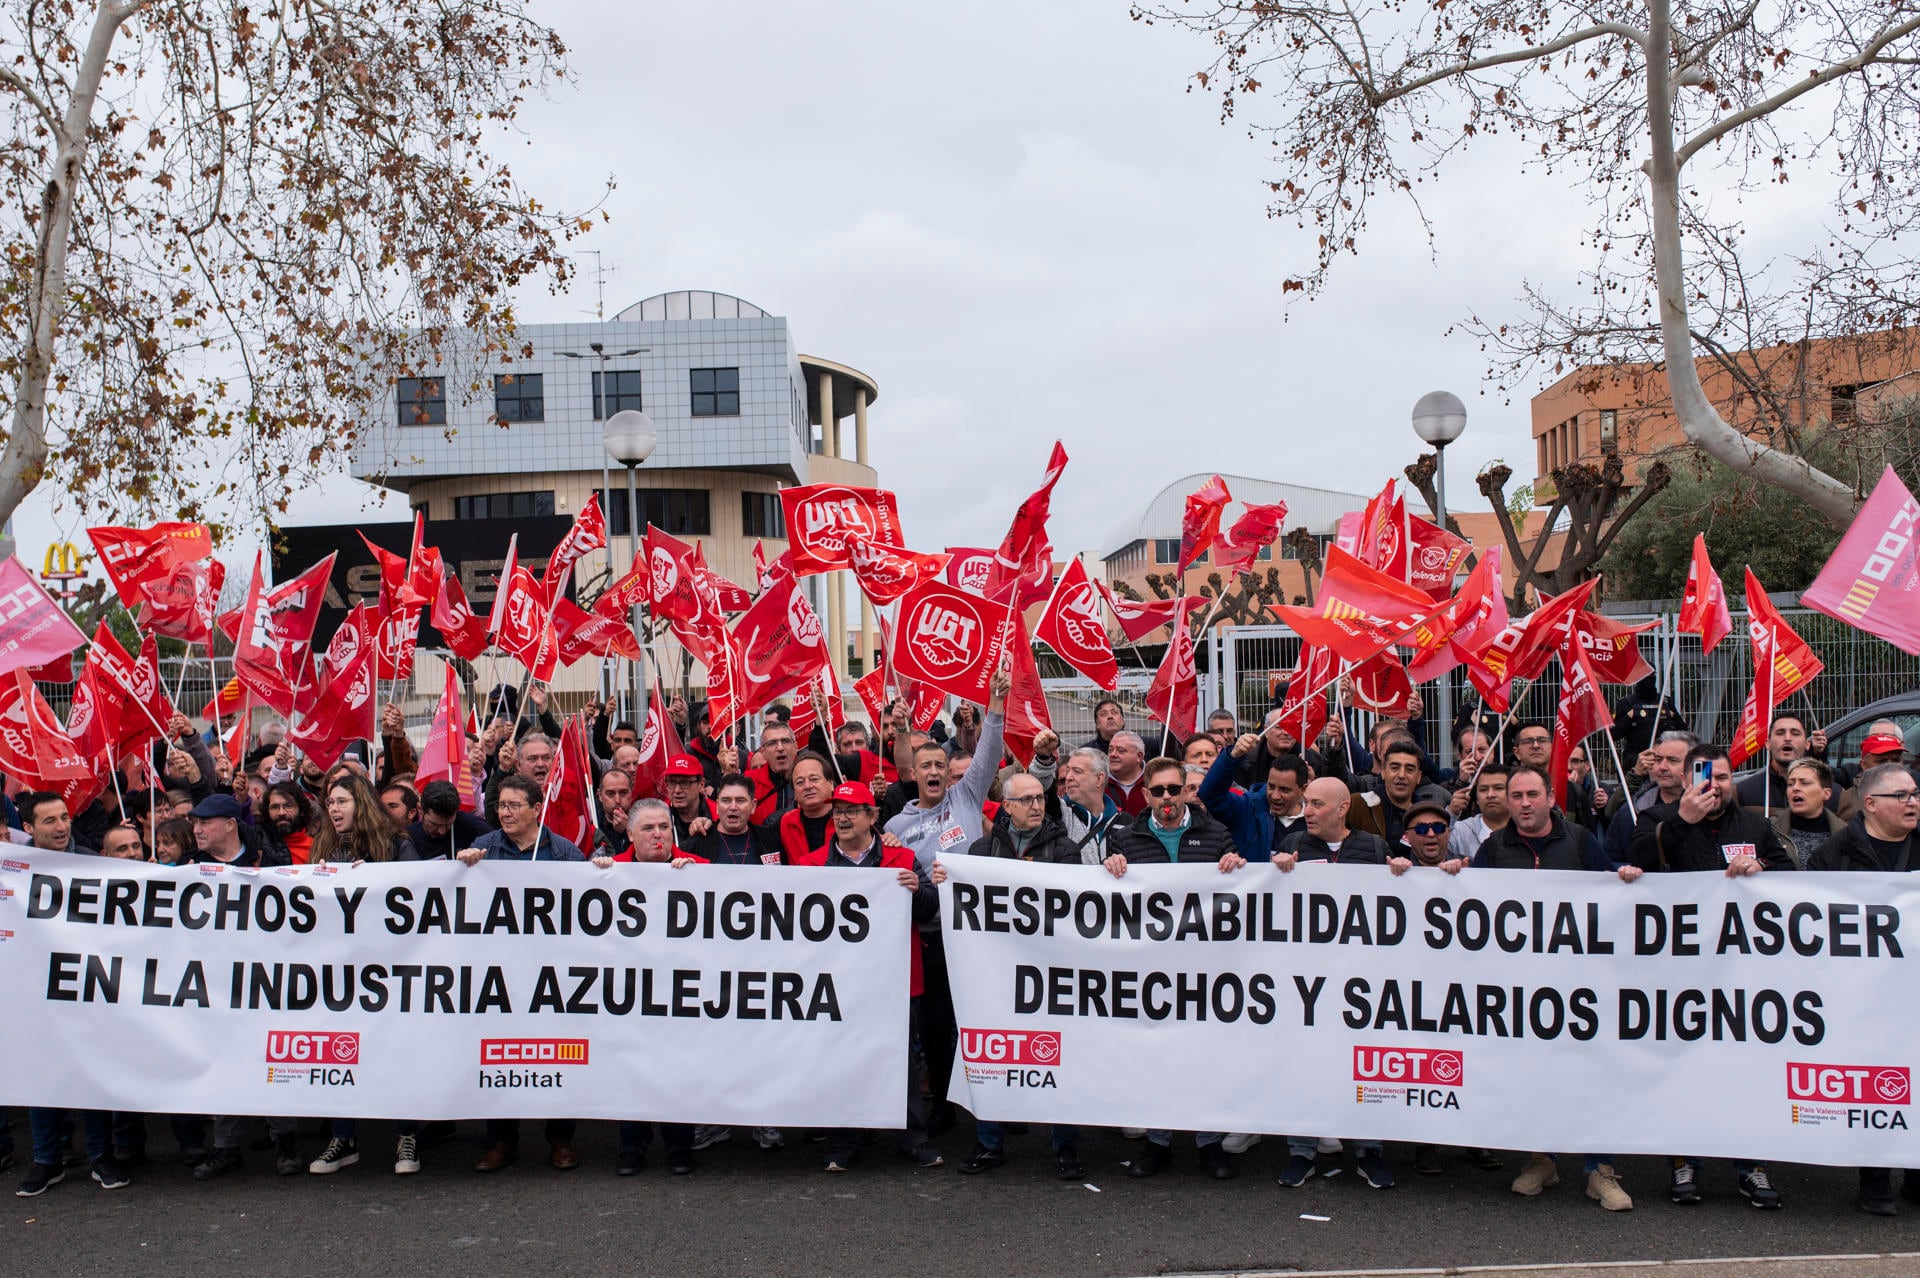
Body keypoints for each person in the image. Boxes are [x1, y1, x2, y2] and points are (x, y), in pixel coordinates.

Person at [1621, 742, 1789, 1208]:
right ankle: (1683, 1162)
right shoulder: (1660, 818)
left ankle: (1749, 1164)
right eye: (1706, 777)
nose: (1715, 788)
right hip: (1681, 972)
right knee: (1683, 1066)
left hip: (1741, 971)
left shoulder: (1754, 824)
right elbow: (1640, 857)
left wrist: (1763, 867)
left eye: (1724, 778)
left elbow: (1792, 873)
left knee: (1743, 1068)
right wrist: (1684, 820)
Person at [1474, 764, 1634, 1211]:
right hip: (1522, 991)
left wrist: (1624, 877)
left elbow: (1613, 897)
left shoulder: (1581, 841)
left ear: (1550, 799)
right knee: (1530, 1075)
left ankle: (1600, 1170)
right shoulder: (1493, 848)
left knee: (1590, 1076)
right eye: (1516, 796)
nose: (1524, 804)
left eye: (1532, 795)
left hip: (1580, 991)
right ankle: (1540, 1158)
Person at [935, 771, 1085, 1177]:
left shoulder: (1065, 849)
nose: (1037, 805)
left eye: (1040, 798)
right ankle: (989, 1143)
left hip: (1049, 973)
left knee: (1059, 1056)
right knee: (990, 1052)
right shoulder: (982, 850)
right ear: (1007, 806)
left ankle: (1065, 1145)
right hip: (996, 975)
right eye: (1027, 800)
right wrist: (946, 880)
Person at [1105, 757, 1246, 1179]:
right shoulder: (1127, 839)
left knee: (1204, 1058)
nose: (1167, 797)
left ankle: (1208, 1144)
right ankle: (1157, 1142)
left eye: (1174, 789)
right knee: (1155, 1057)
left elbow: (1239, 891)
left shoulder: (1216, 833)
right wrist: (1110, 870)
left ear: (1187, 791)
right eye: (1158, 791)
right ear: (1145, 796)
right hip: (1151, 972)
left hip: (1204, 970)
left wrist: (1237, 868)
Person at [886, 669, 1008, 1139]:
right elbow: (894, 875)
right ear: (913, 774)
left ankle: (996, 1105)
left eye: (940, 764)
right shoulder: (897, 821)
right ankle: (943, 1103)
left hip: (980, 934)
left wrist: (994, 706)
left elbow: (990, 753)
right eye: (926, 767)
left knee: (987, 1018)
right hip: (933, 939)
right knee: (939, 1027)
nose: (935, 772)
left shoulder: (966, 795)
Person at [797, 781, 942, 1172]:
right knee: (842, 1058)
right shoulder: (812, 865)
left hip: (893, 979)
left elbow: (930, 909)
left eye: (852, 810)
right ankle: (845, 1138)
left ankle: (913, 1137)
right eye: (838, 810)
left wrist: (918, 891)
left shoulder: (902, 859)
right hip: (838, 982)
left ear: (872, 817)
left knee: (902, 1058)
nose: (842, 817)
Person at [1268, 776, 1393, 1188]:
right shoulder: (1294, 845)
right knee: (1304, 1065)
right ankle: (1300, 1152)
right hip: (1306, 982)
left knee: (1362, 1065)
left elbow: (1395, 900)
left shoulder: (1373, 848)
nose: (1308, 811)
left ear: (1343, 809)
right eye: (1306, 802)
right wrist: (1278, 871)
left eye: (1318, 804)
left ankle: (1369, 1152)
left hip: (1360, 981)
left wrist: (1402, 873)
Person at [1807, 763, 1920, 1214]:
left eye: (1915, 794)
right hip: (1863, 993)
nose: (1912, 802)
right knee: (1873, 1084)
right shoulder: (1833, 856)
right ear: (1871, 804)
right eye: (1902, 796)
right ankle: (1874, 1180)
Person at [457, 775, 584, 1171]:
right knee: (500, 1053)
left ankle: (561, 1139)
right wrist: (463, 868)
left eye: (514, 806)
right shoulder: (484, 848)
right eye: (501, 806)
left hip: (552, 971)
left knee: (558, 1053)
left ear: (536, 808)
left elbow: (585, 905)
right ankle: (501, 1140)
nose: (505, 813)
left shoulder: (563, 853)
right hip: (500, 971)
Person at [183, 794, 297, 1180]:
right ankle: (225, 1146)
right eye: (195, 823)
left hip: (267, 984)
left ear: (230, 824)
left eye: (205, 823)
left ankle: (285, 1142)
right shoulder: (189, 868)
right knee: (223, 1064)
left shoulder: (270, 859)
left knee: (273, 1063)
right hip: (214, 987)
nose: (197, 830)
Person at [1384, 801, 1499, 1177]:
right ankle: (1426, 1143)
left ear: (1449, 832)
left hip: (1465, 982)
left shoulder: (1472, 868)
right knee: (1425, 1064)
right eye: (1421, 830)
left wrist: (1467, 874)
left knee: (1471, 1063)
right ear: (1408, 837)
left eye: (1438, 827)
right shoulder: (1391, 870)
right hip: (1415, 984)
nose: (1431, 835)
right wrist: (1394, 875)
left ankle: (1476, 1138)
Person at [603, 798, 708, 1171]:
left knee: (677, 1068)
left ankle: (679, 1146)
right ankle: (632, 1146)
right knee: (631, 1068)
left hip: (679, 990)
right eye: (648, 829)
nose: (658, 835)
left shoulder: (699, 869)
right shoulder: (609, 873)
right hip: (630, 992)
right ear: (630, 834)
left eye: (664, 826)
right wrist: (598, 876)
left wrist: (697, 879)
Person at [1202, 734, 1309, 858]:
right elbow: (1210, 794)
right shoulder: (1249, 809)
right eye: (1271, 786)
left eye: (1284, 790)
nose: (1275, 796)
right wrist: (1232, 757)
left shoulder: (1316, 819)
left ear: (1303, 789)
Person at [1601, 732, 1696, 864]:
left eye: (1673, 760)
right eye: (1658, 759)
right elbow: (1610, 861)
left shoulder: (1711, 808)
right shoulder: (1630, 812)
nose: (1662, 767)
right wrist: (1627, 870)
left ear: (1695, 765)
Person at [1347, 738, 1451, 846]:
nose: (1401, 775)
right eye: (1395, 768)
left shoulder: (1428, 814)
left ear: (1419, 777)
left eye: (1409, 769)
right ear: (1383, 772)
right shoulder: (1359, 805)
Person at [312, 773, 421, 865]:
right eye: (330, 802)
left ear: (362, 805)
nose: (333, 808)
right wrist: (319, 875)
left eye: (342, 801)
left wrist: (369, 874)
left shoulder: (395, 844)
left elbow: (414, 884)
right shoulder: (323, 842)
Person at [1049, 747, 1129, 864]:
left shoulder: (1125, 821)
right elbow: (1043, 788)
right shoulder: (1059, 814)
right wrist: (1043, 759)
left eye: (1077, 771)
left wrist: (1120, 863)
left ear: (1099, 779)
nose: (1069, 778)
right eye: (1068, 771)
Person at [685, 774, 784, 864]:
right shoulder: (697, 842)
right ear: (717, 806)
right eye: (726, 800)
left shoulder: (770, 839)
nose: (733, 807)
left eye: (740, 800)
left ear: (753, 806)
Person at [1734, 712, 1817, 811]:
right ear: (1768, 744)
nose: (1787, 738)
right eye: (1780, 733)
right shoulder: (1743, 793)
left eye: (1795, 733)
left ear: (1807, 744)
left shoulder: (1832, 794)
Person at [1772, 757, 1845, 868]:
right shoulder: (1769, 830)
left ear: (1826, 794)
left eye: (1804, 783)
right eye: (1791, 784)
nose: (1795, 788)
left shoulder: (1845, 835)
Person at [773, 751, 837, 862]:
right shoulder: (783, 824)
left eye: (814, 779)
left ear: (831, 784)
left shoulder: (848, 819)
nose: (807, 786)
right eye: (800, 782)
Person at [407, 779, 491, 860]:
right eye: (434, 824)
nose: (442, 831)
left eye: (448, 824)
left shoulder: (470, 825)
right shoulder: (408, 837)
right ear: (420, 809)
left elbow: (498, 841)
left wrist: (477, 852)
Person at [1449, 762, 1511, 860]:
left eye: (1498, 788)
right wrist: (1451, 813)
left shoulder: (1527, 830)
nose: (1490, 795)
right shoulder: (1459, 832)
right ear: (1476, 798)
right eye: (1483, 789)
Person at [746, 722, 800, 823]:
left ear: (795, 747)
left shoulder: (810, 778)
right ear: (763, 752)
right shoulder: (749, 781)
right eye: (772, 743)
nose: (780, 748)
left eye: (785, 741)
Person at [660, 754, 716, 846]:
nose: (677, 790)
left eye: (685, 783)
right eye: (672, 782)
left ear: (701, 785)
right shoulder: (657, 818)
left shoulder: (719, 816)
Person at [19, 791, 93, 855]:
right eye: (50, 821)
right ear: (28, 828)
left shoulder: (91, 862)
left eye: (64, 818)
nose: (62, 828)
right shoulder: (16, 865)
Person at [261, 781, 316, 865]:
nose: (281, 812)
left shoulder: (317, 848)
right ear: (267, 811)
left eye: (288, 806)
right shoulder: (259, 844)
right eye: (275, 807)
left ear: (301, 810)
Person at [1104, 730, 1150, 816]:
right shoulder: (1099, 782)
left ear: (1139, 756)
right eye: (1110, 750)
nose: (1113, 754)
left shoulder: (1153, 782)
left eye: (1121, 751)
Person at [594, 767, 634, 856]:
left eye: (623, 793)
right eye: (610, 793)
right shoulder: (592, 825)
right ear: (600, 795)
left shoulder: (644, 820)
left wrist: (629, 830)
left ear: (632, 792)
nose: (617, 800)